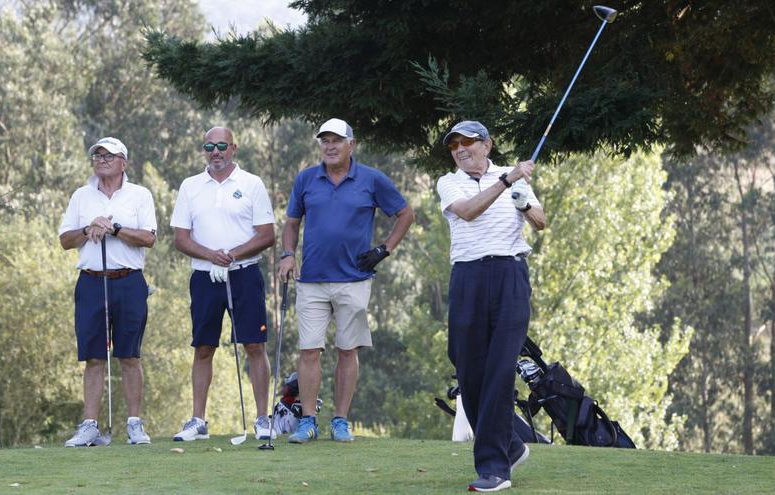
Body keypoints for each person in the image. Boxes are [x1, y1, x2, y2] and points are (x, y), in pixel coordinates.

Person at [277, 118, 414, 443]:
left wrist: (384, 249)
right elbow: (292, 222)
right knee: (309, 350)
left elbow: (406, 214)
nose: (330, 146)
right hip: (311, 279)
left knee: (347, 349)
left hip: (354, 279)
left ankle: (340, 420)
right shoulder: (307, 178)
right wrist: (287, 254)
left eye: (337, 140)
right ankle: (308, 420)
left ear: (351, 144)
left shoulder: (371, 179)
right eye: (325, 140)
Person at [436, 121, 546, 492]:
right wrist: (508, 182)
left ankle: (494, 468)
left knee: (500, 369)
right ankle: (512, 445)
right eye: (454, 144)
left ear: (487, 144)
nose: (460, 149)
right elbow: (468, 212)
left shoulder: (512, 179)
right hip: (467, 277)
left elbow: (540, 222)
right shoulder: (449, 182)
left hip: (509, 275)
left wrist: (522, 197)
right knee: (468, 369)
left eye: (468, 142)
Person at [170, 126, 276, 442]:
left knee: (254, 345)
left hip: (243, 274)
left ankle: (262, 419)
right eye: (209, 146)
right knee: (203, 347)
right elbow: (180, 238)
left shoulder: (251, 184)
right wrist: (211, 256)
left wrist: (230, 254)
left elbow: (266, 234)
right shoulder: (190, 186)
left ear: (233, 147)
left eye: (221, 145)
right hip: (205, 277)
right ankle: (198, 420)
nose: (215, 151)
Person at [59, 137, 158, 447]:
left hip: (129, 281)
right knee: (93, 357)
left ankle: (134, 425)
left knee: (129, 356)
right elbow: (65, 240)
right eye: (97, 155)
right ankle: (89, 425)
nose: (101, 159)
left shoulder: (140, 195)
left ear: (123, 162)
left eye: (109, 155)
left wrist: (114, 228)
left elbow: (148, 238)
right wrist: (89, 228)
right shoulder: (81, 196)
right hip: (91, 281)